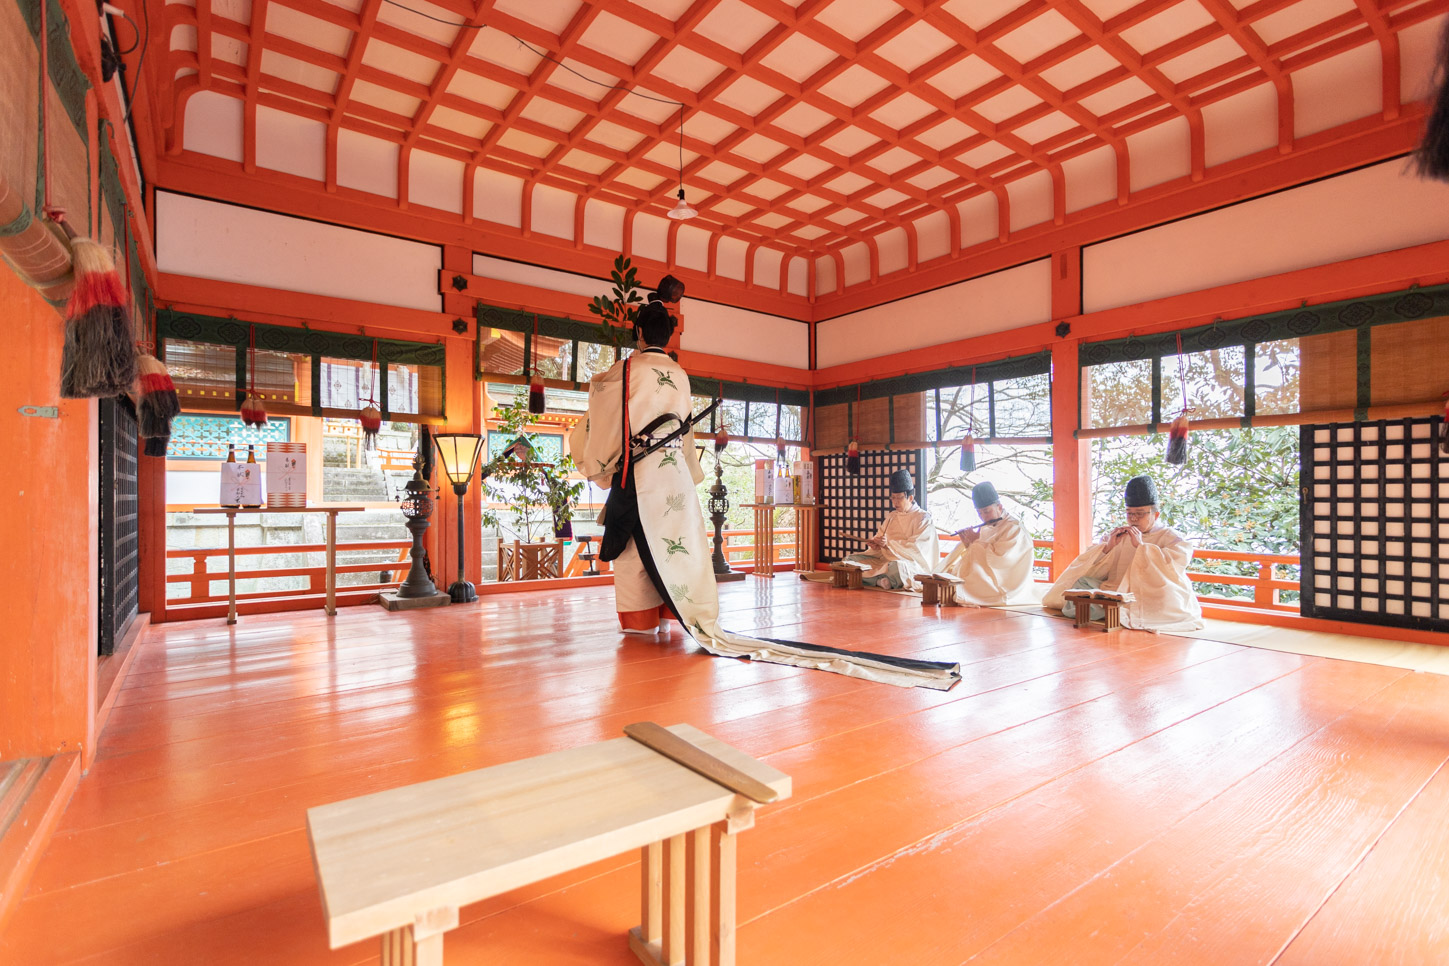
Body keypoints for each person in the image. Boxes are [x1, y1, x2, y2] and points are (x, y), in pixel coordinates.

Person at [568, 279, 960, 690]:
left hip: (640, 473)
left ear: (638, 333)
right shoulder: (680, 375)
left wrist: (600, 465)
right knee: (677, 547)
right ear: (667, 336)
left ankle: (641, 624)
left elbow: (604, 415)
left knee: (635, 548)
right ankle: (674, 616)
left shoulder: (625, 371)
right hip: (675, 478)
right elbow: (682, 434)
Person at [1042, 475, 1204, 632]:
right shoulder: (1120, 534)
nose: (1133, 518)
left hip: (1151, 592)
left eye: (1139, 513)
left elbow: (1172, 568)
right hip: (1116, 587)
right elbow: (1093, 567)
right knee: (1082, 583)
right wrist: (1107, 548)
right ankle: (1111, 611)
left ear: (1155, 515)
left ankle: (1111, 612)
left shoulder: (1171, 537)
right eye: (1129, 513)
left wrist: (1142, 547)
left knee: (1167, 597)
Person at [940, 481, 1035, 606]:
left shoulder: (1014, 528)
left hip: (1006, 583)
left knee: (964, 588)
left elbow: (1002, 561)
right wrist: (969, 544)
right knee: (950, 581)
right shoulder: (986, 527)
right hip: (985, 576)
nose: (983, 517)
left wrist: (976, 542)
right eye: (979, 513)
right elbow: (978, 556)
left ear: (999, 507)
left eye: (986, 511)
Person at [840, 469, 938, 590]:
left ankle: (874, 579)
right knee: (849, 561)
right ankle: (880, 581)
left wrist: (888, 545)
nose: (895, 502)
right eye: (893, 498)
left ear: (910, 497)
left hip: (908, 563)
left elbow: (917, 549)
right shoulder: (892, 516)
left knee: (898, 567)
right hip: (885, 560)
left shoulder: (923, 518)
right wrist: (876, 545)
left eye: (899, 498)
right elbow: (880, 538)